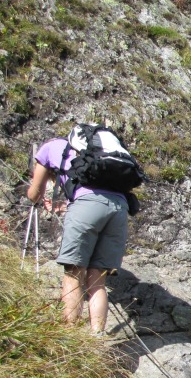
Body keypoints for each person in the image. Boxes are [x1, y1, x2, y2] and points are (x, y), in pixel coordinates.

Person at [27, 130, 129, 335]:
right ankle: (97, 334)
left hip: (86, 206)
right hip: (119, 207)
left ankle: (70, 334)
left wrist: (33, 193)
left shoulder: (47, 149)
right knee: (97, 279)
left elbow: (35, 194)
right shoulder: (98, 152)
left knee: (74, 272)